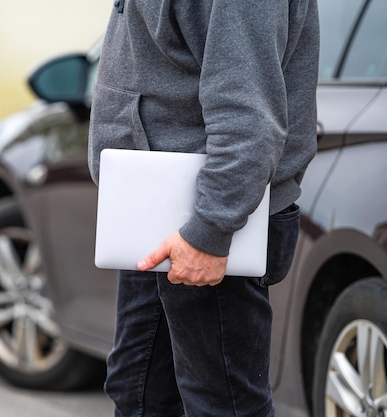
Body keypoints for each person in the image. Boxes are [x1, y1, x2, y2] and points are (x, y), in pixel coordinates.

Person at [87, 0, 319, 416]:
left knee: (222, 405)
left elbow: (247, 116)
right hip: (156, 212)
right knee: (138, 392)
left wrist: (210, 232)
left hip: (205, 220)